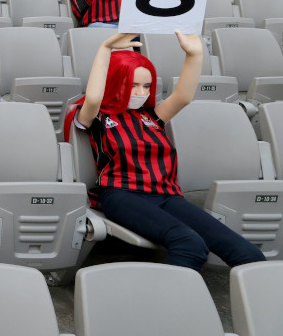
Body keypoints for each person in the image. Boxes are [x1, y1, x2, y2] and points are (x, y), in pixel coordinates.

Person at [66, 31, 266, 273]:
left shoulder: (152, 116)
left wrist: (194, 55)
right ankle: (168, 296)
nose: (141, 92)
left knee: (249, 254)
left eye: (146, 86)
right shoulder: (98, 116)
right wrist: (105, 49)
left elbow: (183, 96)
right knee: (190, 244)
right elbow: (94, 97)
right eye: (133, 85)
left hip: (166, 195)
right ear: (114, 81)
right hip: (121, 194)